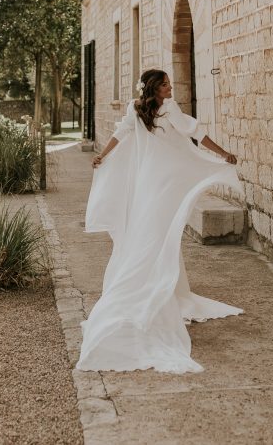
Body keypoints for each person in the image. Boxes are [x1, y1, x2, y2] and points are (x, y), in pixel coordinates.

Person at [77, 68, 243, 373]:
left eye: (169, 83)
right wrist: (103, 155)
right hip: (152, 182)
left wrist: (223, 153)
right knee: (150, 233)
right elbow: (121, 133)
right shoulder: (136, 109)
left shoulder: (169, 109)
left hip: (163, 180)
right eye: (165, 84)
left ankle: (166, 289)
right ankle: (144, 292)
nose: (170, 88)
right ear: (153, 88)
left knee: (160, 234)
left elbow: (196, 134)